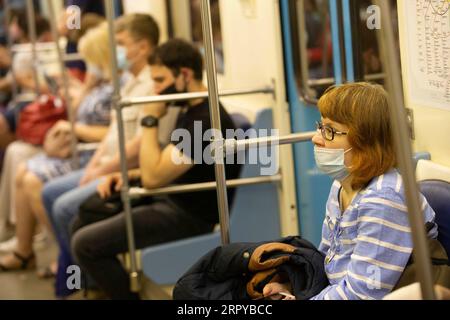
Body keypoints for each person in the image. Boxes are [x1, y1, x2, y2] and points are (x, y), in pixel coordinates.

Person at [71, 39, 241, 300]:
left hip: (190, 214)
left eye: (160, 81)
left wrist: (149, 119)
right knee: (84, 216)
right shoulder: (190, 109)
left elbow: (153, 177)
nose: (157, 90)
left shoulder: (206, 122)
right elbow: (168, 166)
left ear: (184, 74)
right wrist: (127, 176)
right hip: (173, 196)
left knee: (86, 244)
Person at [40, 14, 177, 298]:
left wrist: (104, 170)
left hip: (127, 167)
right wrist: (93, 166)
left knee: (66, 208)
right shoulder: (129, 82)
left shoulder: (154, 87)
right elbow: (114, 130)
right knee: (50, 192)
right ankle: (80, 276)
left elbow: (143, 144)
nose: (117, 51)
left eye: (121, 44)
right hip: (107, 162)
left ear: (142, 46)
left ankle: (89, 283)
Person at [263, 83, 438, 300]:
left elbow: (363, 294)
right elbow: (326, 260)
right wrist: (291, 287)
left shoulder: (383, 201)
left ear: (364, 141)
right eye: (320, 127)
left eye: (329, 131)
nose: (316, 138)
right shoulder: (342, 184)